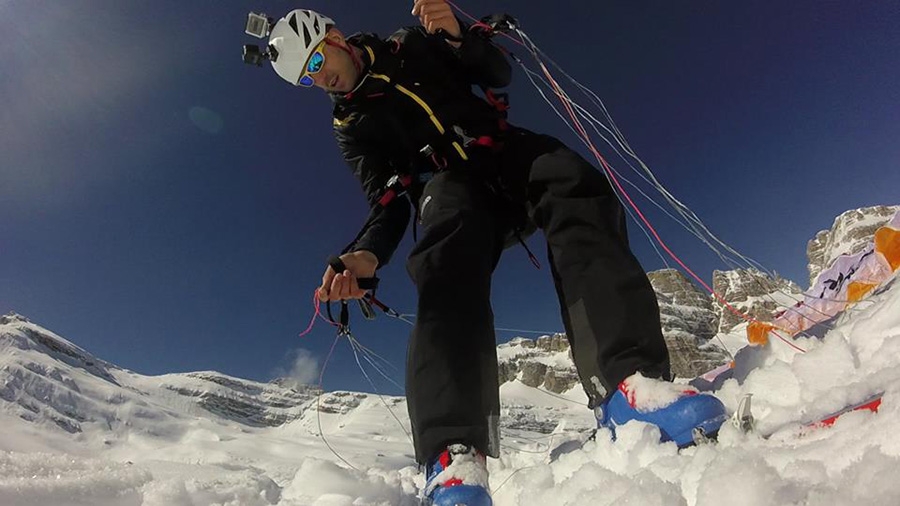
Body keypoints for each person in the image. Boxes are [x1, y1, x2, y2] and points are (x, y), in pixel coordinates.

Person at [248, 2, 727, 504]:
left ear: (335, 38)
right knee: (443, 260)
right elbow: (386, 200)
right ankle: (453, 457)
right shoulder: (351, 126)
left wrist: (457, 36)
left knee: (573, 182)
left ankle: (631, 387)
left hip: (499, 150)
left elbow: (495, 72)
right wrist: (366, 254)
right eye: (306, 81)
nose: (320, 82)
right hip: (448, 183)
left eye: (317, 65)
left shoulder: (407, 45)